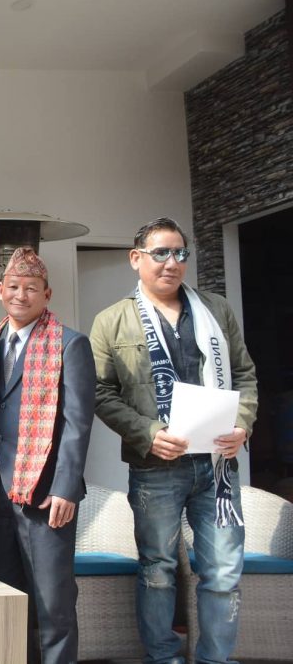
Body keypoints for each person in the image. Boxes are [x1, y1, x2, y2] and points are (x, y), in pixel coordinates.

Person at [90, 217, 257, 664]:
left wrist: (243, 424)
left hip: (217, 467)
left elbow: (244, 374)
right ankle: (163, 657)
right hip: (156, 468)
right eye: (160, 252)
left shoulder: (216, 310)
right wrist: (147, 433)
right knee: (158, 570)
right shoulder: (111, 321)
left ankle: (215, 659)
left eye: (180, 253)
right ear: (136, 259)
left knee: (223, 571)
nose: (172, 262)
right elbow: (100, 392)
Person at [0, 247, 94, 664]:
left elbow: (78, 422)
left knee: (53, 602)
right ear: (0, 290)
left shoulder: (70, 344)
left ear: (47, 294)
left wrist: (66, 487)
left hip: (46, 494)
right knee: (6, 596)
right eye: (13, 286)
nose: (21, 295)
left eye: (31, 288)